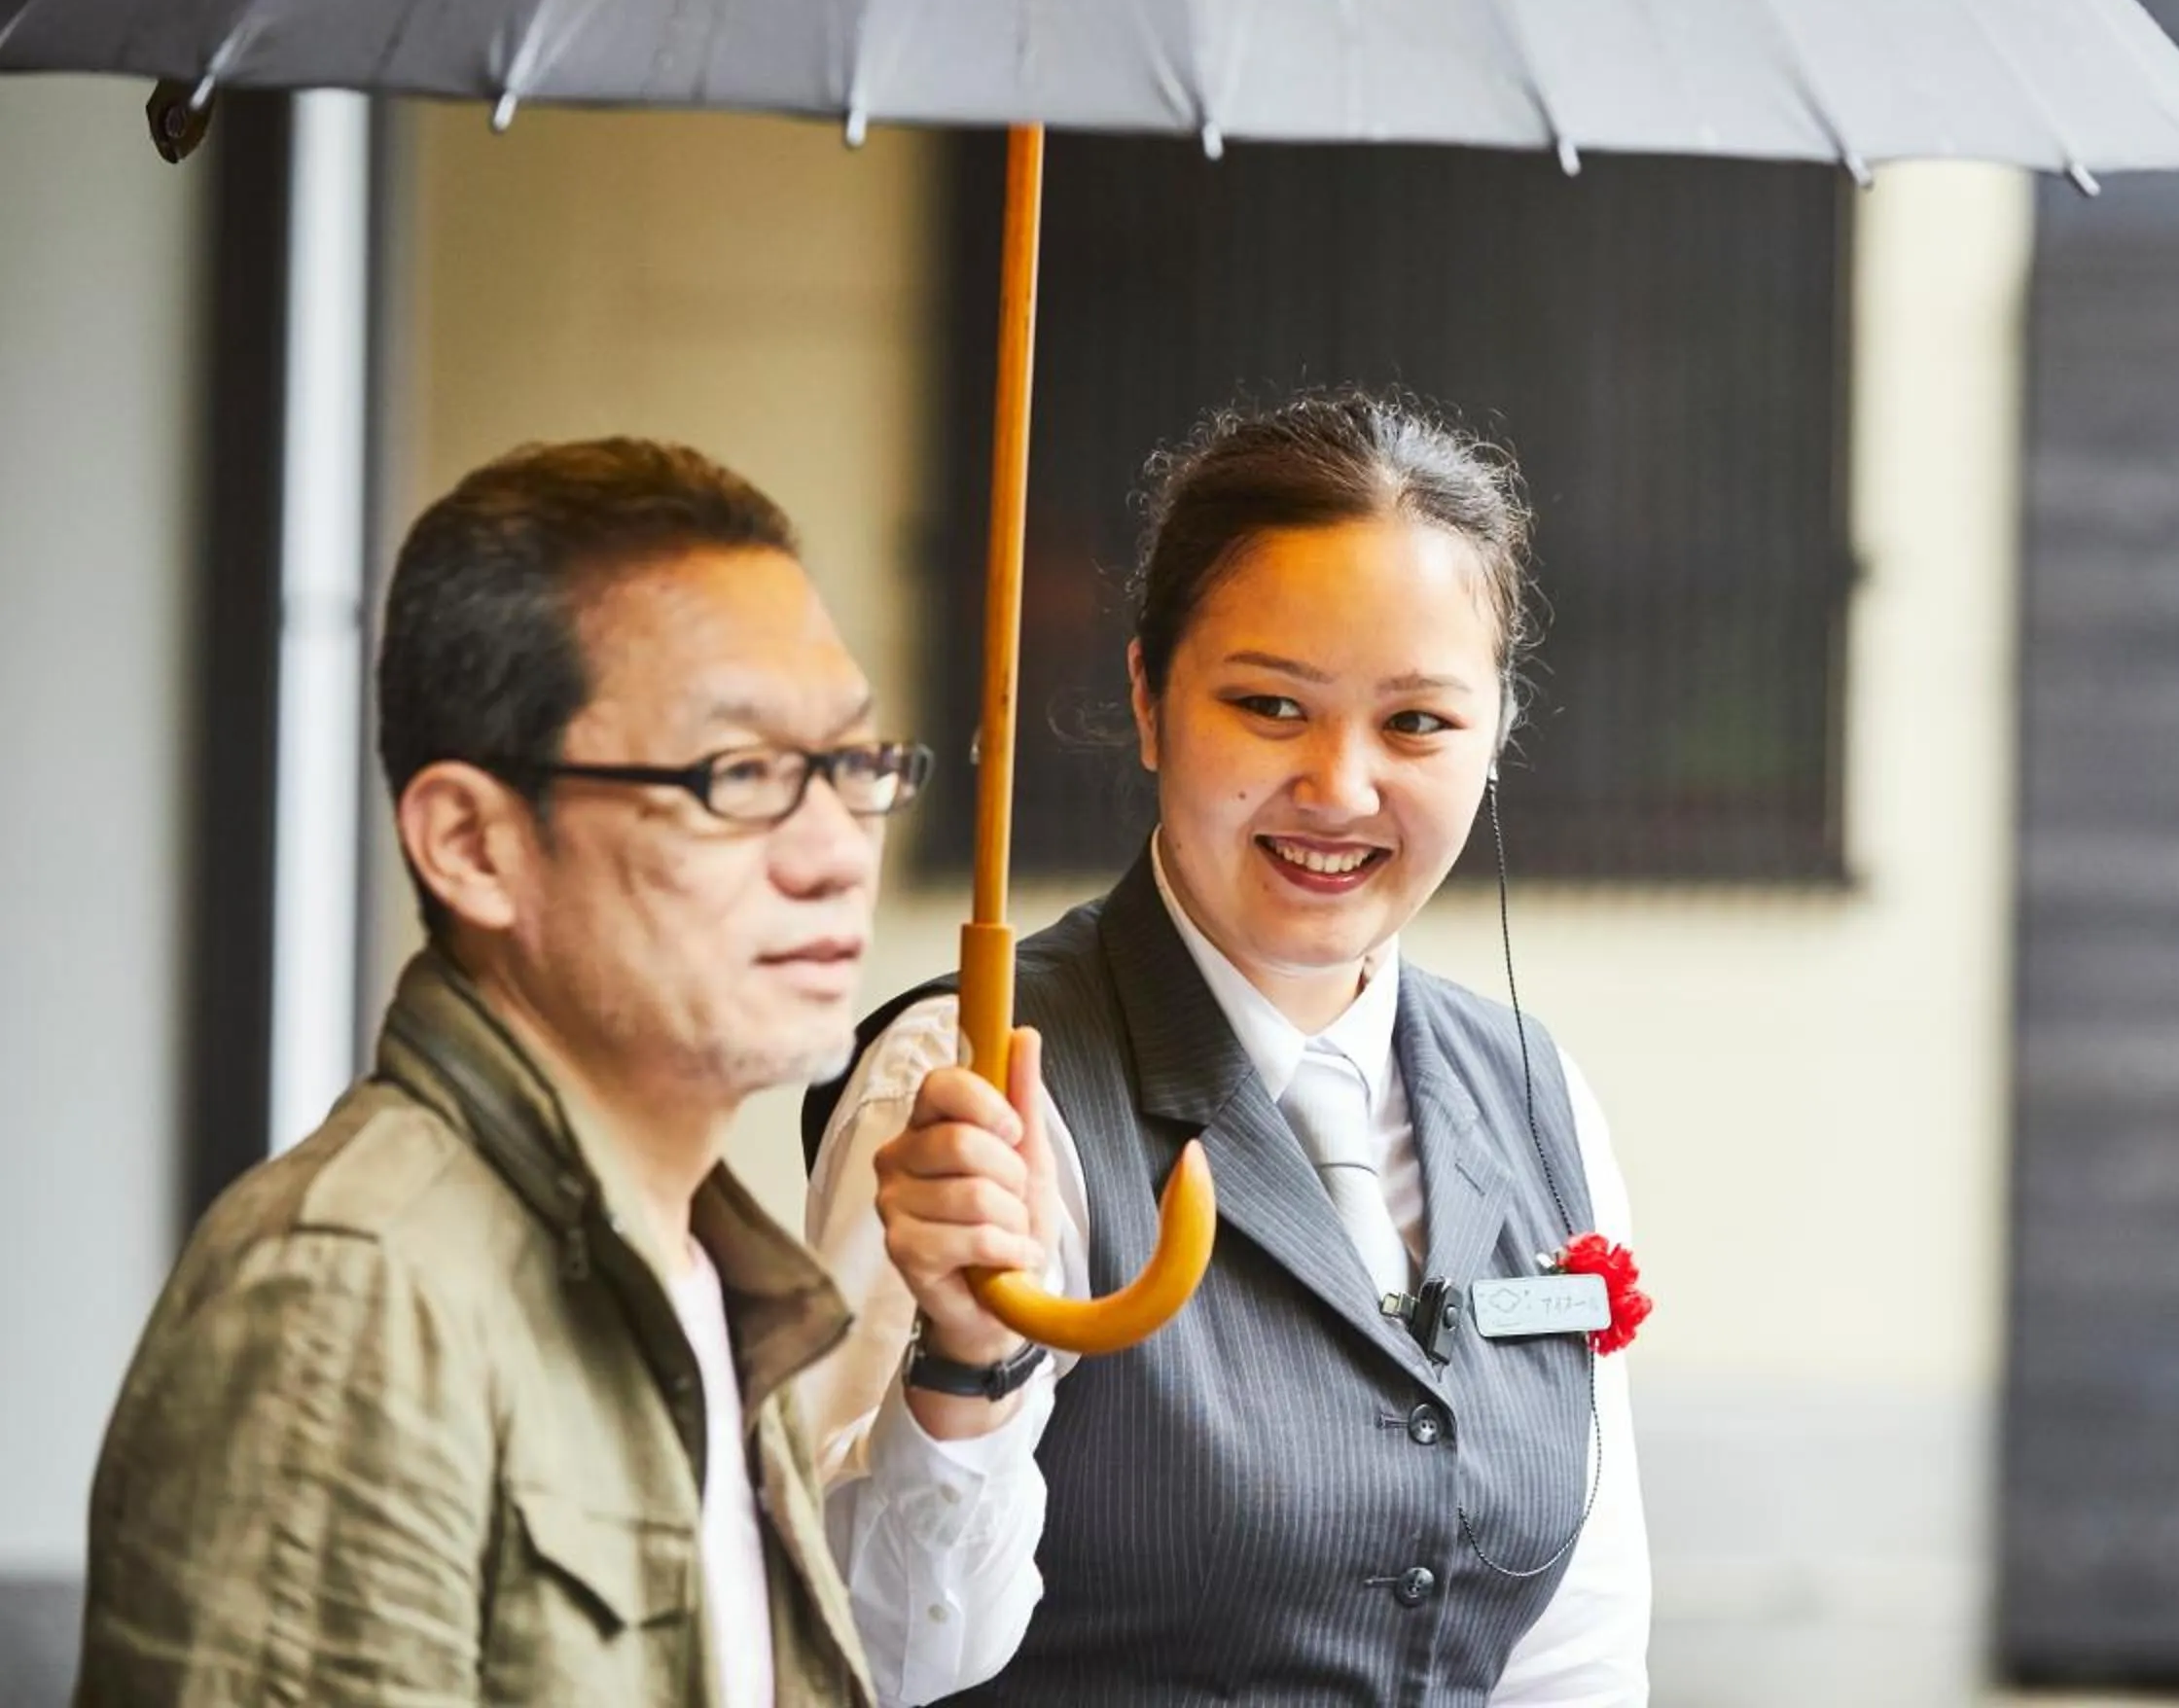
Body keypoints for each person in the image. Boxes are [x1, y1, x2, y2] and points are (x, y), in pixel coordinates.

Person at [804, 389, 1652, 1705]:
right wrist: (965, 1365)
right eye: (1269, 706)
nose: (1339, 788)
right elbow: (852, 1664)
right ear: (1149, 700)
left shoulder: (1534, 1096)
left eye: (1417, 722)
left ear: (1496, 735)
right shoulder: (971, 1085)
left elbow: (1578, 1650)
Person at [77, 439, 927, 1706]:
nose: (833, 855)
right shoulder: (356, 1295)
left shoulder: (699, 1266)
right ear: (473, 844)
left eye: (853, 766)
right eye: (739, 776)